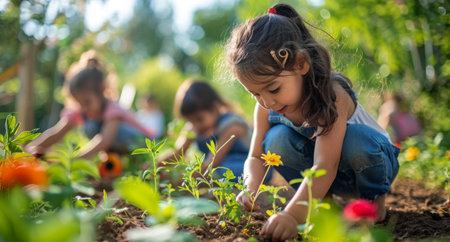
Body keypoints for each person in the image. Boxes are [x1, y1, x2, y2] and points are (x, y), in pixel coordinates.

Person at [226, 3, 400, 240]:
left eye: (273, 89)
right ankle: (323, 205)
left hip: (373, 163)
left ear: (301, 64)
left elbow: (324, 166)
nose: (267, 102)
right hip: (331, 175)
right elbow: (255, 157)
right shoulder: (265, 107)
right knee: (275, 140)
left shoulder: (332, 95)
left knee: (356, 142)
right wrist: (250, 187)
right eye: (255, 94)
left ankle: (373, 203)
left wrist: (291, 216)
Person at [25, 67, 155, 159]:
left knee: (101, 128)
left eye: (87, 102)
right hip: (120, 146)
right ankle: (118, 161)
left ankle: (139, 161)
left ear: (101, 90)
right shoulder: (82, 110)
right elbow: (56, 133)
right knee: (91, 127)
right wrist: (25, 152)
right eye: (79, 103)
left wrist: (75, 161)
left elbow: (105, 140)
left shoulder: (113, 108)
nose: (84, 108)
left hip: (144, 143)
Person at [159, 80, 253, 181]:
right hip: (220, 166)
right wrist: (156, 166)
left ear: (215, 107)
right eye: (190, 121)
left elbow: (210, 164)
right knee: (218, 171)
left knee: (221, 171)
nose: (196, 125)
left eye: (199, 119)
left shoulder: (231, 126)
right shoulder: (193, 128)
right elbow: (178, 152)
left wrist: (179, 178)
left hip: (248, 166)